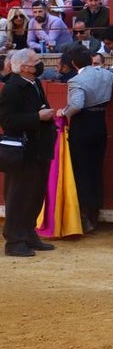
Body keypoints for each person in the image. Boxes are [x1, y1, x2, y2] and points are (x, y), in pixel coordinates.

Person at [56, 45, 113, 234]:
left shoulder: (77, 80)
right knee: (95, 169)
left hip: (83, 126)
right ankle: (94, 213)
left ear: (73, 63)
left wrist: (63, 112)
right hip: (100, 125)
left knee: (82, 170)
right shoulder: (104, 74)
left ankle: (85, 216)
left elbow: (77, 104)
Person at [0, 49, 59, 257]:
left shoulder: (34, 83)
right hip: (22, 151)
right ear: (24, 67)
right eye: (36, 61)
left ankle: (28, 233)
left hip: (39, 148)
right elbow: (7, 122)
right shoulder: (12, 88)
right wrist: (37, 117)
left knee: (34, 194)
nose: (40, 64)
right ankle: (14, 241)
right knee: (18, 195)